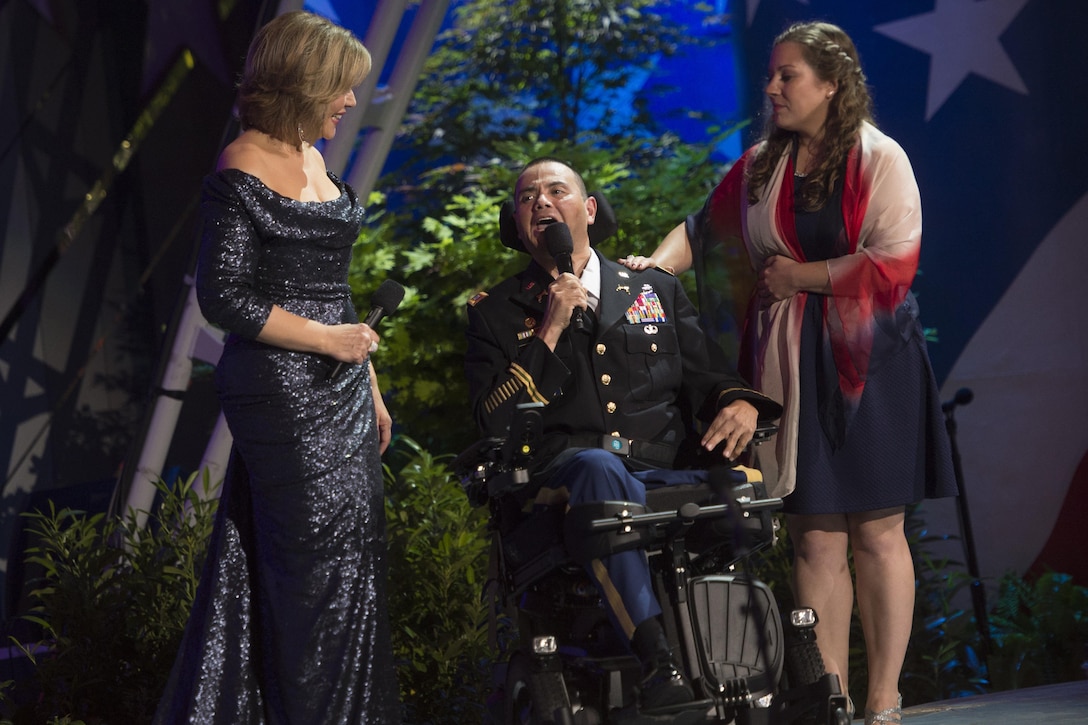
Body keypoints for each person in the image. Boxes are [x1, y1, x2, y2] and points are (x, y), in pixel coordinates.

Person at [621, 21, 957, 725]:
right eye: (771, 74)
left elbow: (897, 257)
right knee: (812, 533)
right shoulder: (761, 167)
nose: (771, 88)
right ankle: (828, 695)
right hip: (786, 364)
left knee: (875, 531)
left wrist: (802, 273)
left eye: (788, 76)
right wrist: (651, 271)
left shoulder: (878, 157)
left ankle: (883, 698)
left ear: (832, 84)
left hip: (870, 365)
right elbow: (701, 228)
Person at [152, 11, 399, 724]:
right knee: (312, 570)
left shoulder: (314, 158)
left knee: (352, 561)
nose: (349, 102)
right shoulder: (244, 160)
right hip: (281, 391)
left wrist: (370, 388)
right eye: (341, 89)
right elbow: (223, 297)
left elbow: (338, 295)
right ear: (306, 82)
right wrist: (328, 343)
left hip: (342, 388)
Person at [464, 158, 782, 710]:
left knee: (741, 482)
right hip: (566, 477)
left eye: (556, 191)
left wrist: (737, 403)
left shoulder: (650, 289)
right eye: (526, 197)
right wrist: (551, 327)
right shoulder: (494, 313)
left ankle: (769, 673)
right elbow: (494, 420)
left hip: (664, 466)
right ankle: (660, 666)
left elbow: (709, 376)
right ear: (516, 225)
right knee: (599, 469)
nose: (540, 201)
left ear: (588, 210)